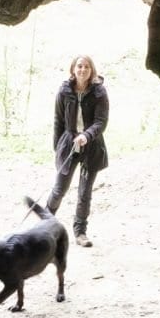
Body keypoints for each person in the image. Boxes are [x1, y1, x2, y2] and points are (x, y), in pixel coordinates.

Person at [46, 54, 109, 247]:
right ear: (73, 69)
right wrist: (58, 147)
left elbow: (101, 121)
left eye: (87, 67)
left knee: (85, 192)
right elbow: (58, 120)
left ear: (92, 71)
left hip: (91, 145)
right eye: (79, 66)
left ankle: (80, 232)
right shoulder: (64, 91)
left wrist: (86, 135)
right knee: (59, 189)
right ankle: (44, 225)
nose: (83, 70)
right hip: (69, 143)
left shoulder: (99, 92)